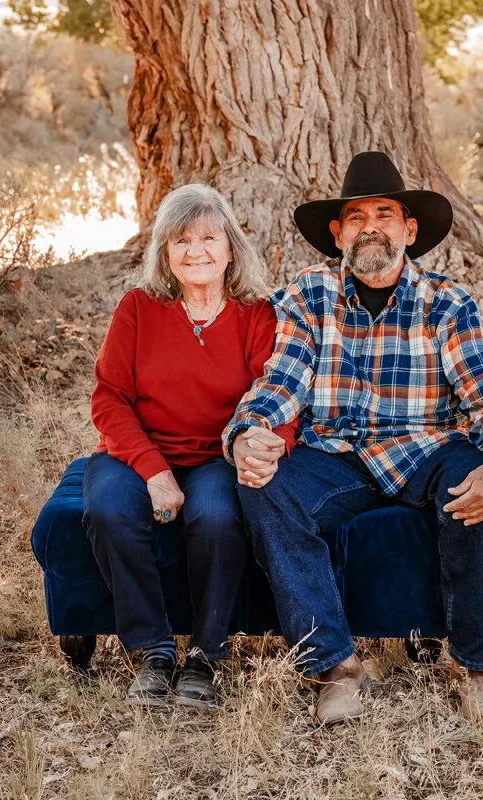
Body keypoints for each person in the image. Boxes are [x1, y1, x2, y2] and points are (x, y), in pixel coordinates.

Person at [224, 151, 483, 725]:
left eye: (384, 215)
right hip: (335, 453)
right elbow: (283, 378)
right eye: (356, 217)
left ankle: (474, 667)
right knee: (263, 487)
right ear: (337, 233)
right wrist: (249, 432)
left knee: (478, 486)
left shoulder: (447, 304)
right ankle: (336, 665)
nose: (370, 228)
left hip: (425, 448)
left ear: (409, 230)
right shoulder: (309, 295)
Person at [85, 183, 293, 709]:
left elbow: (278, 396)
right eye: (181, 240)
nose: (195, 251)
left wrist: (267, 444)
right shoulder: (138, 308)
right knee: (107, 507)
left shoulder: (256, 315)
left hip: (216, 456)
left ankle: (204, 655)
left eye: (208, 238)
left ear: (230, 249)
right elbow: (109, 399)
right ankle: (154, 652)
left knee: (217, 518)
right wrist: (154, 472)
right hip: (137, 451)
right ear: (165, 253)